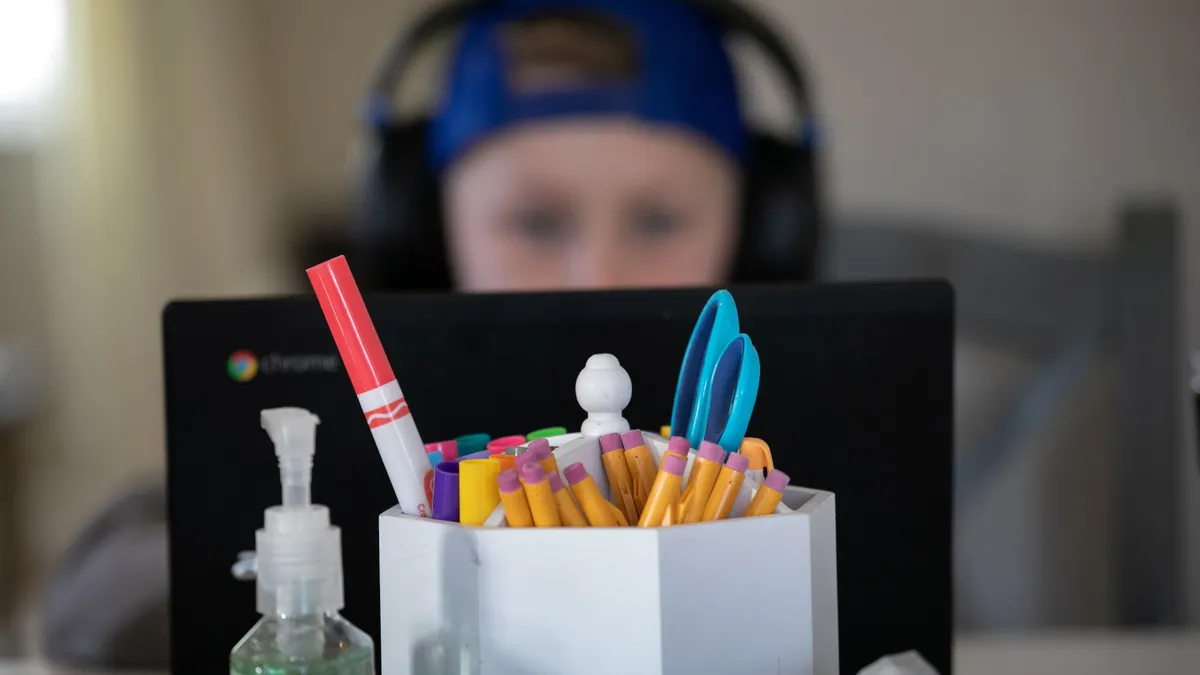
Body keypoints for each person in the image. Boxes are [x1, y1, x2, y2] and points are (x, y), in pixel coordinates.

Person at [43, 0, 822, 668]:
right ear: (421, 223)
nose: (597, 270)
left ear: (763, 230)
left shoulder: (795, 401)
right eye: (537, 220)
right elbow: (96, 594)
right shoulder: (339, 380)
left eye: (658, 220)